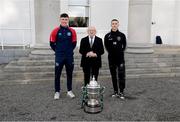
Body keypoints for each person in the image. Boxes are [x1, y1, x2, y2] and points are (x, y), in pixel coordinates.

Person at [49, 13, 77, 100]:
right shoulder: (55, 31)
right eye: (63, 19)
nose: (64, 21)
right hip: (59, 57)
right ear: (60, 20)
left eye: (66, 19)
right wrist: (58, 51)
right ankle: (57, 91)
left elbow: (74, 43)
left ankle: (69, 91)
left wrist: (68, 51)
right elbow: (52, 43)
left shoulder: (72, 31)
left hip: (69, 56)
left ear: (68, 20)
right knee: (57, 74)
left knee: (69, 74)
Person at [104, 19, 127, 99]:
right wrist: (112, 52)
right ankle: (115, 91)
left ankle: (121, 91)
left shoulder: (122, 35)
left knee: (121, 75)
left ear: (118, 25)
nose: (114, 25)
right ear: (111, 25)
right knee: (113, 75)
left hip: (120, 59)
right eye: (113, 24)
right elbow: (106, 46)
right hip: (111, 59)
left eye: (116, 24)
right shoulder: (107, 36)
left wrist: (119, 52)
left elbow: (124, 46)